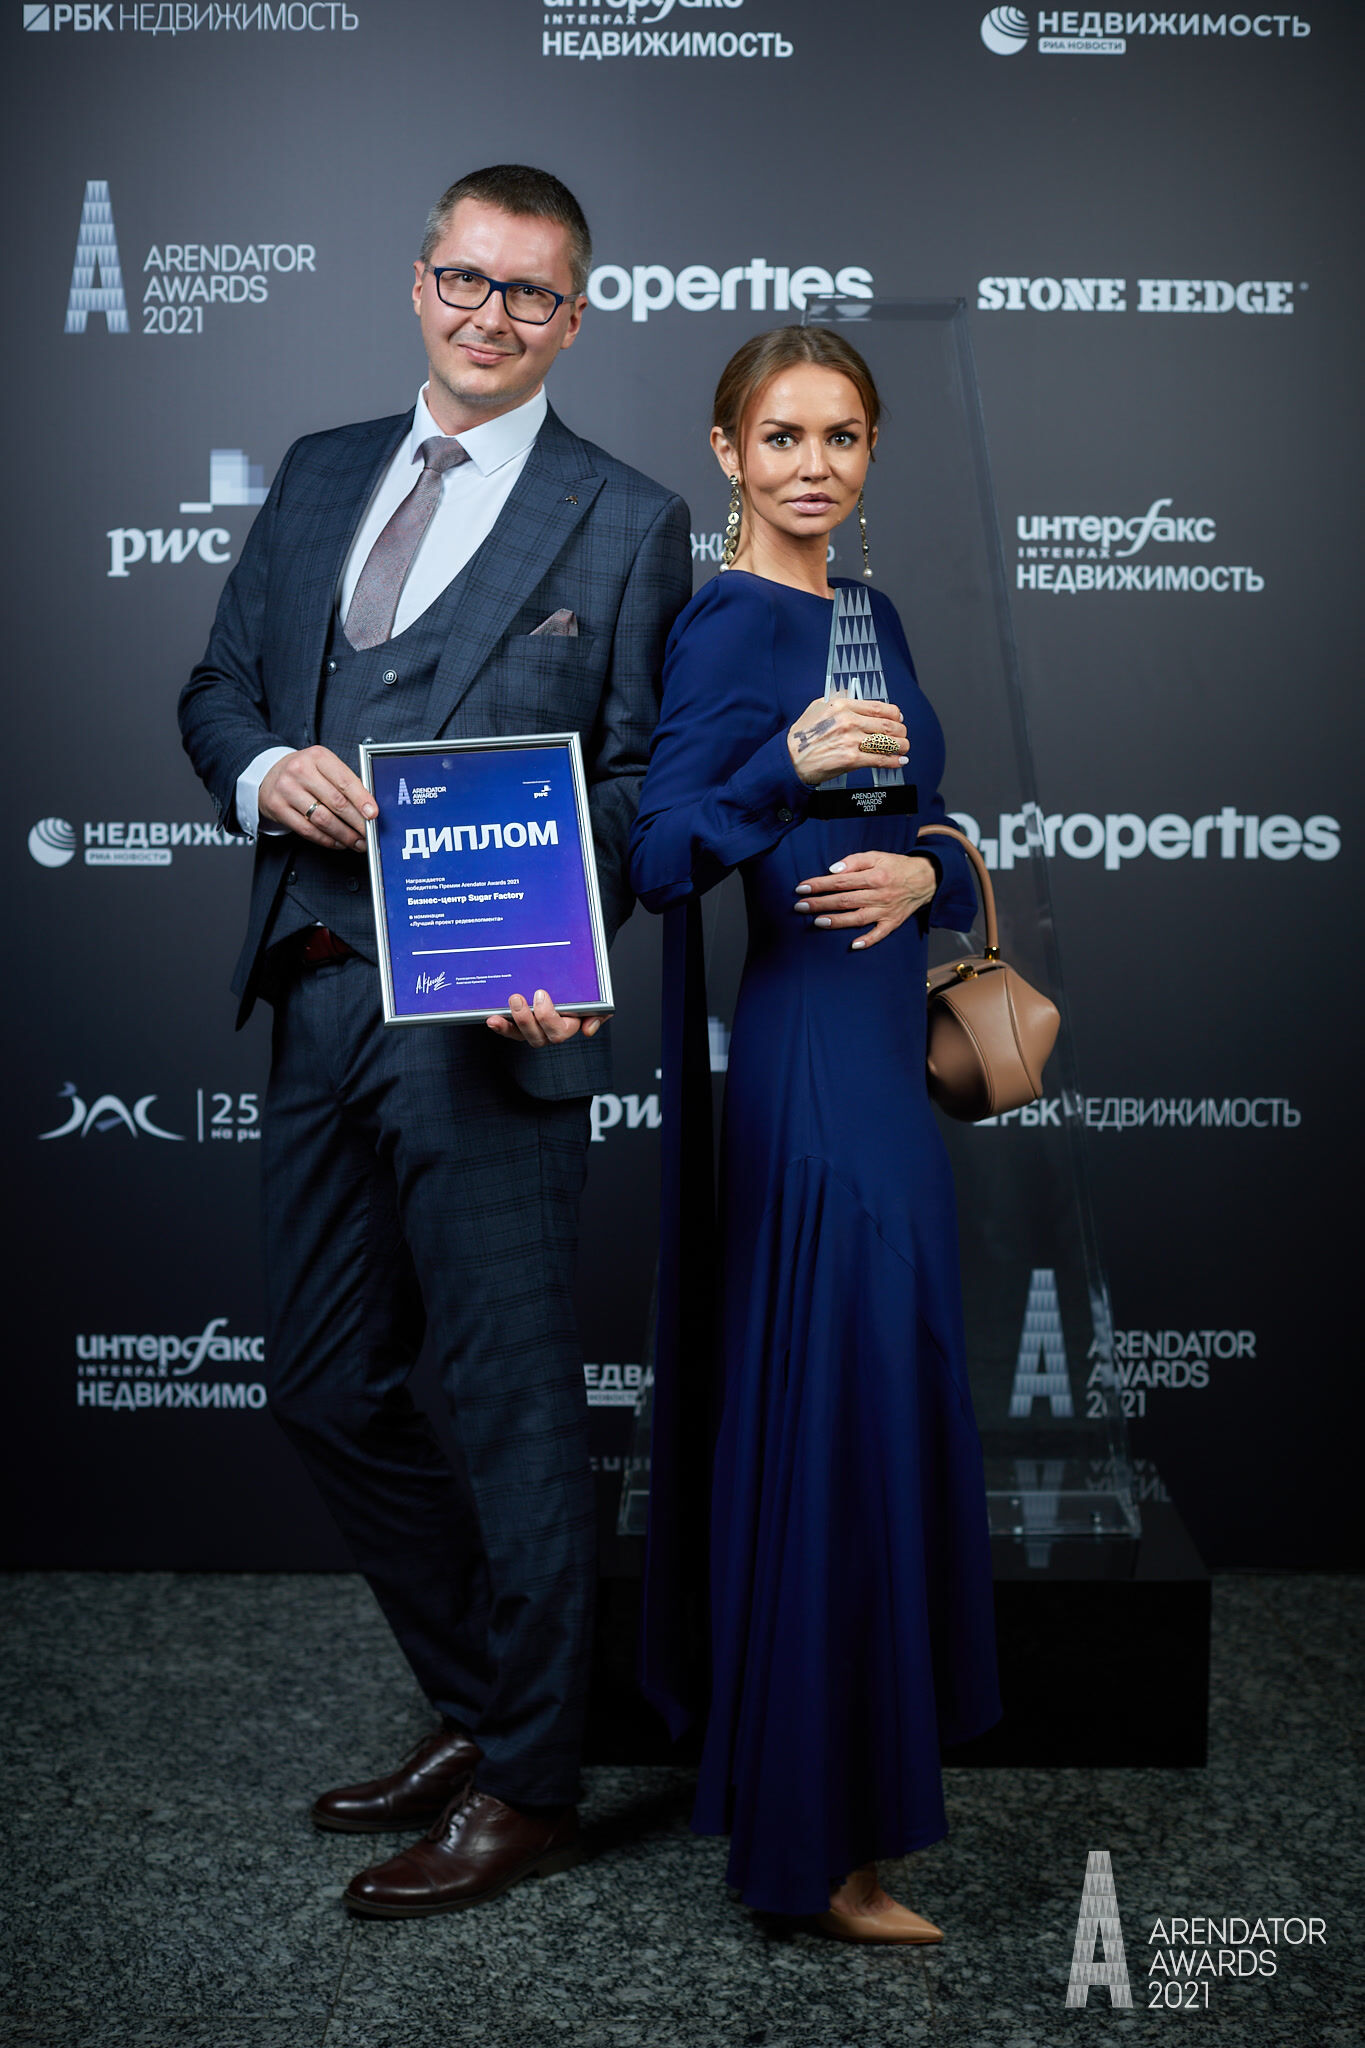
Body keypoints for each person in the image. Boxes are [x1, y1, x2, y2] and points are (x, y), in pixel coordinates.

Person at [178, 164, 691, 1919]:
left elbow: (638, 783)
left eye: (529, 293)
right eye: (465, 280)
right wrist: (265, 770)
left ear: (573, 318)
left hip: (490, 1009)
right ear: (418, 285)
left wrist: (564, 932)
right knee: (325, 1382)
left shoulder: (625, 519)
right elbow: (216, 690)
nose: (490, 315)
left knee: (510, 1405)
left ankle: (530, 1784)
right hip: (317, 980)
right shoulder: (323, 469)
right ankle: (492, 1707)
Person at [629, 327, 1001, 1942]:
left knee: (878, 1406)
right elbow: (658, 855)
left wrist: (932, 872)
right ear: (727, 452)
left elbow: (925, 818)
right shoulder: (726, 620)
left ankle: (849, 1822)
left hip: (883, 1058)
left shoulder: (873, 610)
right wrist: (779, 765)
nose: (811, 466)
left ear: (869, 452)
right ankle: (810, 1851)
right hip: (804, 1067)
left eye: (839, 437)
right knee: (829, 1418)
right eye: (779, 437)